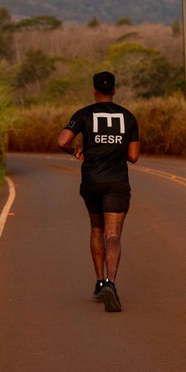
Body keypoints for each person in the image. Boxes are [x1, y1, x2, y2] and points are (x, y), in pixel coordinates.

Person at [57, 71, 140, 312]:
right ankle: (111, 284)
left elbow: (62, 141)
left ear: (94, 90)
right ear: (114, 90)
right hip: (117, 182)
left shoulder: (83, 114)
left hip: (92, 181)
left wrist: (77, 151)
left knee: (96, 228)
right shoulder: (128, 116)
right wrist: (115, 149)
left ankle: (99, 281)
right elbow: (133, 156)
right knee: (113, 235)